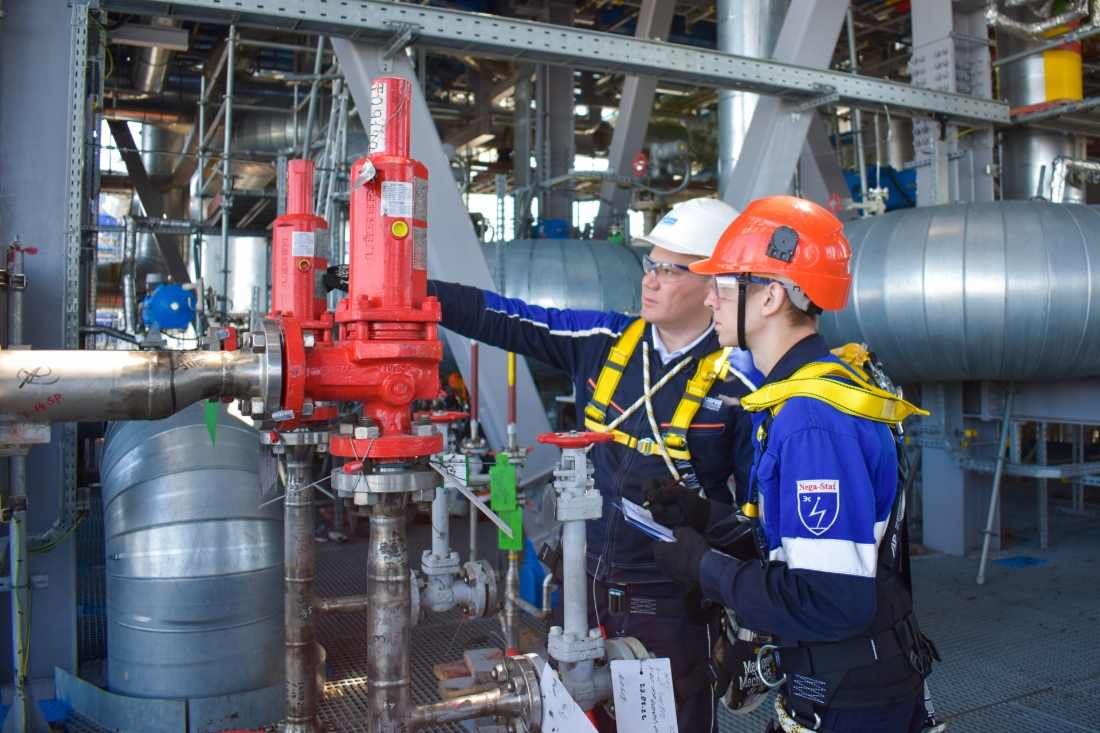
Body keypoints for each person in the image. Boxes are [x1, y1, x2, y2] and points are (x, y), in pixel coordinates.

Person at [426, 198, 756, 732]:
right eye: (650, 264)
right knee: (575, 720)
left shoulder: (742, 383)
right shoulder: (602, 342)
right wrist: (413, 292)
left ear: (713, 284)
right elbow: (504, 317)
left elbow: (754, 520)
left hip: (671, 603)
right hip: (584, 584)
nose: (650, 280)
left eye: (670, 270)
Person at [649, 195, 939, 733]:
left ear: (771, 298)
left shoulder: (810, 420)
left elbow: (832, 599)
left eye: (723, 285)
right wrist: (706, 518)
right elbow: (803, 548)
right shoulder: (808, 391)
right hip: (848, 681)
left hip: (850, 699)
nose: (709, 299)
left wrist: (705, 570)